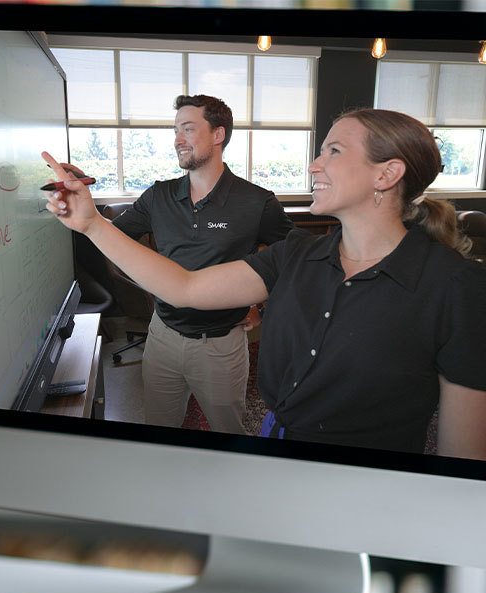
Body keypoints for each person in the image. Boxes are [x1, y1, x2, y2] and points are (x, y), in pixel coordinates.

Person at [42, 108, 486, 458]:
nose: (314, 165)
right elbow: (186, 288)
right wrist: (92, 224)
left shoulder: (458, 287)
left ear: (386, 174)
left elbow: (461, 456)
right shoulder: (297, 254)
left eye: (334, 151)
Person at [108, 95, 294, 435]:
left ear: (218, 134)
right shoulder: (158, 196)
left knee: (229, 433)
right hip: (162, 337)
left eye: (188, 129)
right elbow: (112, 239)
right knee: (159, 431)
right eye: (176, 130)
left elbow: (294, 259)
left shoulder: (257, 202)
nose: (178, 139)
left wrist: (262, 306)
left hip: (221, 345)